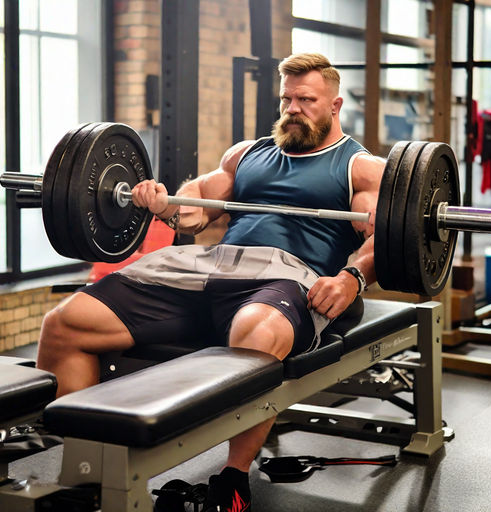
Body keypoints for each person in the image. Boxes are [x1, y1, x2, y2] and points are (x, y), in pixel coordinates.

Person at [37, 53, 385, 512]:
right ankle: (87, 471)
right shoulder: (246, 155)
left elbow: (384, 237)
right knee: (65, 323)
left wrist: (351, 278)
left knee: (257, 334)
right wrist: (164, 204)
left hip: (286, 274)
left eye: (307, 99)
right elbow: (197, 204)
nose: (294, 108)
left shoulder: (359, 167)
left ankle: (233, 475)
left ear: (335, 105)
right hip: (209, 266)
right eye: (287, 99)